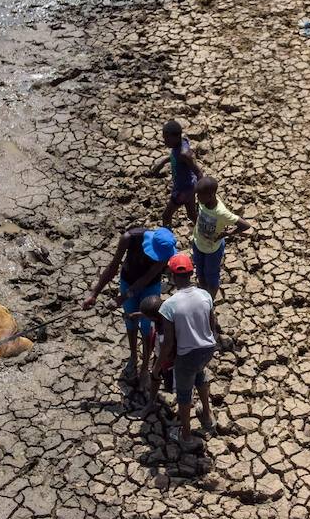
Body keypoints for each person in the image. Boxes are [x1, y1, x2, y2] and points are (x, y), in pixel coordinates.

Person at [83, 226, 177, 381]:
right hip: (128, 279)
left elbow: (147, 278)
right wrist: (94, 294)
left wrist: (122, 298)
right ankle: (133, 356)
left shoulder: (165, 250)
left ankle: (145, 365)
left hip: (150, 287)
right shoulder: (129, 238)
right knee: (130, 319)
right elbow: (113, 267)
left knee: (147, 327)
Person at [152, 253, 217, 450]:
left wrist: (157, 368)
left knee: (184, 394)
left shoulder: (168, 306)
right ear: (191, 273)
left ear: (172, 276)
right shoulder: (205, 295)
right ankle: (207, 417)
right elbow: (212, 324)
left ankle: (186, 436)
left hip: (187, 355)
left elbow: (168, 343)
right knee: (200, 375)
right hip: (207, 349)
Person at [192, 175, 252, 301]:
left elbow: (245, 225)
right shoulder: (204, 202)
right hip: (198, 243)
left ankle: (210, 302)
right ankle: (203, 293)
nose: (197, 198)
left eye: (200, 195)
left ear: (210, 195)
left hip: (212, 250)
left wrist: (227, 233)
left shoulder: (221, 213)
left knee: (211, 276)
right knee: (200, 273)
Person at [148, 119, 201, 228]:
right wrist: (163, 162)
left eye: (167, 138)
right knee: (191, 214)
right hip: (190, 185)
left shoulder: (184, 154)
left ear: (176, 137)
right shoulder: (182, 141)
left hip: (183, 191)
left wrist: (202, 193)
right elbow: (175, 156)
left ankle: (166, 238)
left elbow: (198, 172)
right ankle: (204, 232)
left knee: (166, 216)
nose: (165, 141)